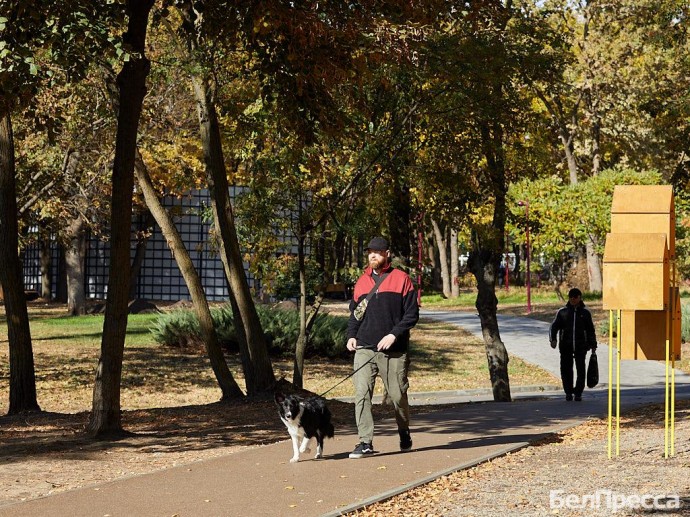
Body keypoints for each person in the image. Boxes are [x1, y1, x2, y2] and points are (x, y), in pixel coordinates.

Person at [346, 236, 419, 458]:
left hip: (393, 350)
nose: (372, 255)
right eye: (370, 252)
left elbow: (412, 315)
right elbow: (356, 313)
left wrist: (393, 334)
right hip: (365, 347)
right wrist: (351, 335)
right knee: (361, 393)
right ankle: (365, 442)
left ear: (387, 253)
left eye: (377, 252)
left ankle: (404, 431)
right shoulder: (362, 281)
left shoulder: (402, 279)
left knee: (397, 396)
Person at [549, 287, 597, 401]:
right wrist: (553, 340)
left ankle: (578, 393)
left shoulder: (585, 313)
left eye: (575, 297)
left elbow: (590, 330)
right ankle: (568, 392)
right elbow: (554, 327)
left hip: (581, 346)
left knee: (581, 370)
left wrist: (593, 344)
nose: (573, 299)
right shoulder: (563, 312)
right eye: (571, 297)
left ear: (580, 298)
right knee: (566, 370)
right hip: (566, 346)